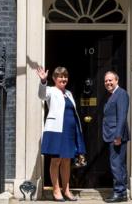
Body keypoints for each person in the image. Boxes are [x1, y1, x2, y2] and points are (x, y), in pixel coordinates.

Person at [36, 66, 86, 202]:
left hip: (69, 132)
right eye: (60, 76)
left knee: (66, 160)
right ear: (54, 78)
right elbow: (41, 95)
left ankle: (67, 190)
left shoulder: (69, 93)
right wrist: (43, 81)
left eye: (65, 76)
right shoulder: (50, 90)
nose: (63, 79)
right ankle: (56, 190)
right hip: (56, 130)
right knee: (56, 160)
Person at [102, 71, 130, 203]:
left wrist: (118, 135)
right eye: (106, 81)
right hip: (112, 135)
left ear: (117, 80)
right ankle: (122, 192)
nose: (108, 83)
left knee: (116, 164)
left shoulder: (121, 94)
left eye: (110, 80)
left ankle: (119, 192)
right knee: (119, 164)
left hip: (116, 136)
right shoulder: (112, 95)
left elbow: (122, 116)